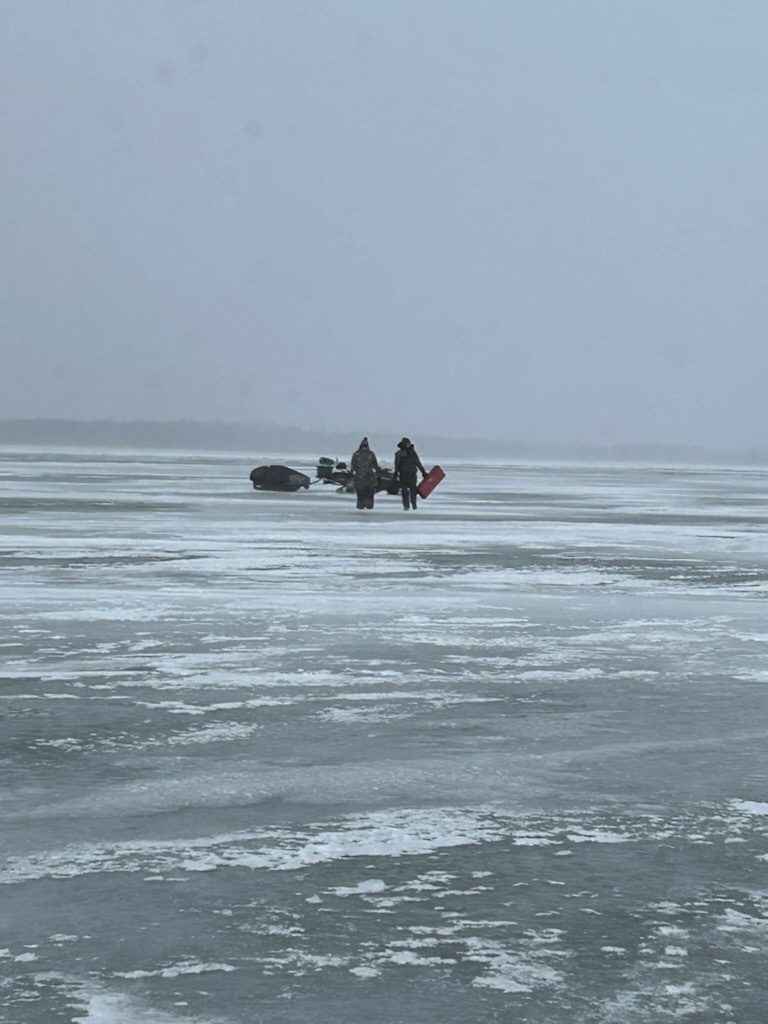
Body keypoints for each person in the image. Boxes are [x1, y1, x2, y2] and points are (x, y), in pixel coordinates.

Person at [394, 437, 427, 510]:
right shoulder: (399, 454)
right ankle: (406, 506)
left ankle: (414, 505)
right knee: (404, 492)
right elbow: (397, 464)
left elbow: (418, 463)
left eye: (409, 443)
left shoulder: (413, 453)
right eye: (406, 444)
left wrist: (423, 472)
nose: (408, 445)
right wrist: (396, 473)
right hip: (403, 475)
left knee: (413, 491)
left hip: (412, 475)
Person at [350, 437, 379, 510]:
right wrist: (351, 473)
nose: (364, 447)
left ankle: (369, 507)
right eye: (364, 446)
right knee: (360, 494)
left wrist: (379, 471)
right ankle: (361, 507)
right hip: (360, 477)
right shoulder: (356, 454)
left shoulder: (371, 454)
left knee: (369, 494)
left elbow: (375, 464)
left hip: (369, 477)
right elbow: (353, 465)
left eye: (366, 446)